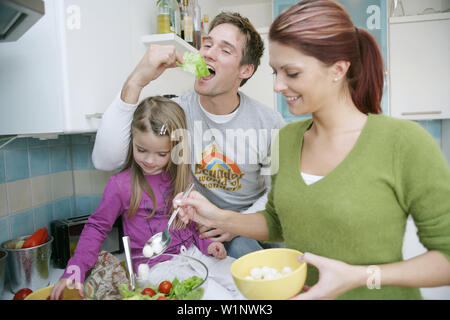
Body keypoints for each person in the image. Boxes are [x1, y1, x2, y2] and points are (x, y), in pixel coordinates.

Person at [175, 0, 450, 300]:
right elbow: (277, 222)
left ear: (338, 70)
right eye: (275, 72)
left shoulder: (403, 143)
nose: (278, 86)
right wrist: (218, 216)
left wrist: (360, 276)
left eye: (291, 73)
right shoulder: (287, 139)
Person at [91, 12, 285, 258]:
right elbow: (105, 161)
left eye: (225, 50)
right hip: (206, 232)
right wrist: (137, 80)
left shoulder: (269, 122)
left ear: (245, 70)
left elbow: (276, 193)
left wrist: (235, 222)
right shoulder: (177, 113)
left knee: (290, 259)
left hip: (255, 218)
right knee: (245, 257)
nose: (208, 53)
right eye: (207, 44)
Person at [50, 96, 239, 300]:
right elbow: (96, 227)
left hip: (194, 254)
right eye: (141, 150)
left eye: (161, 154)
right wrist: (75, 269)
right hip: (156, 268)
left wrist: (207, 245)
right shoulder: (121, 185)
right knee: (219, 297)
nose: (149, 160)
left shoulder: (181, 177)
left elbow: (190, 224)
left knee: (242, 281)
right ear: (133, 140)